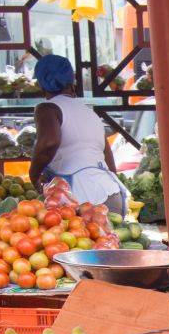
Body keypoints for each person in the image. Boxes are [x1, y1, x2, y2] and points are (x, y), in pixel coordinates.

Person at [29, 54, 130, 216]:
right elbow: (108, 156)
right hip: (112, 194)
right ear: (72, 81)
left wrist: (33, 175)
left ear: (41, 84)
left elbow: (49, 142)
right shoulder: (87, 111)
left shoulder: (47, 108)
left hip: (82, 198)